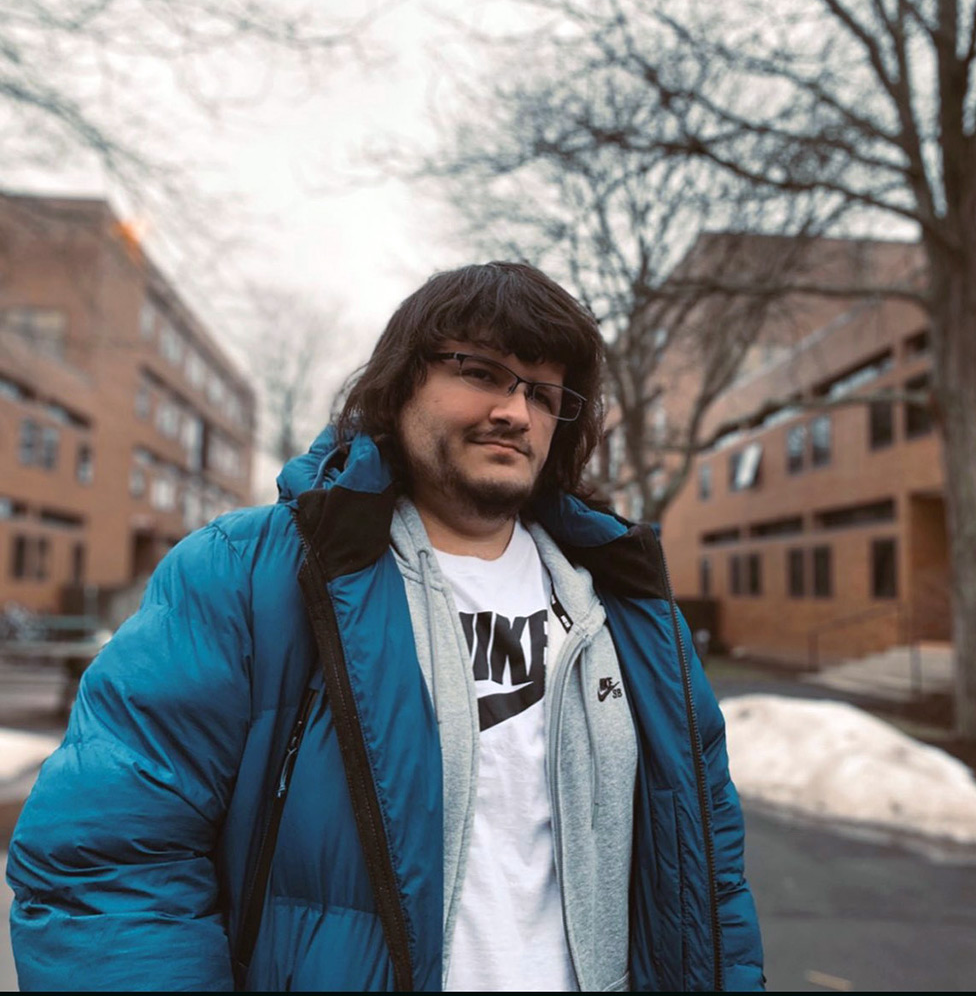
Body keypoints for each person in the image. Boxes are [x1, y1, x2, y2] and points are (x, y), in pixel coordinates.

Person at [7, 261, 764, 992]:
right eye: (480, 371)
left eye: (541, 391)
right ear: (400, 384)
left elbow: (707, 876)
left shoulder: (625, 608)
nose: (514, 411)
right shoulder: (245, 573)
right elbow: (105, 862)